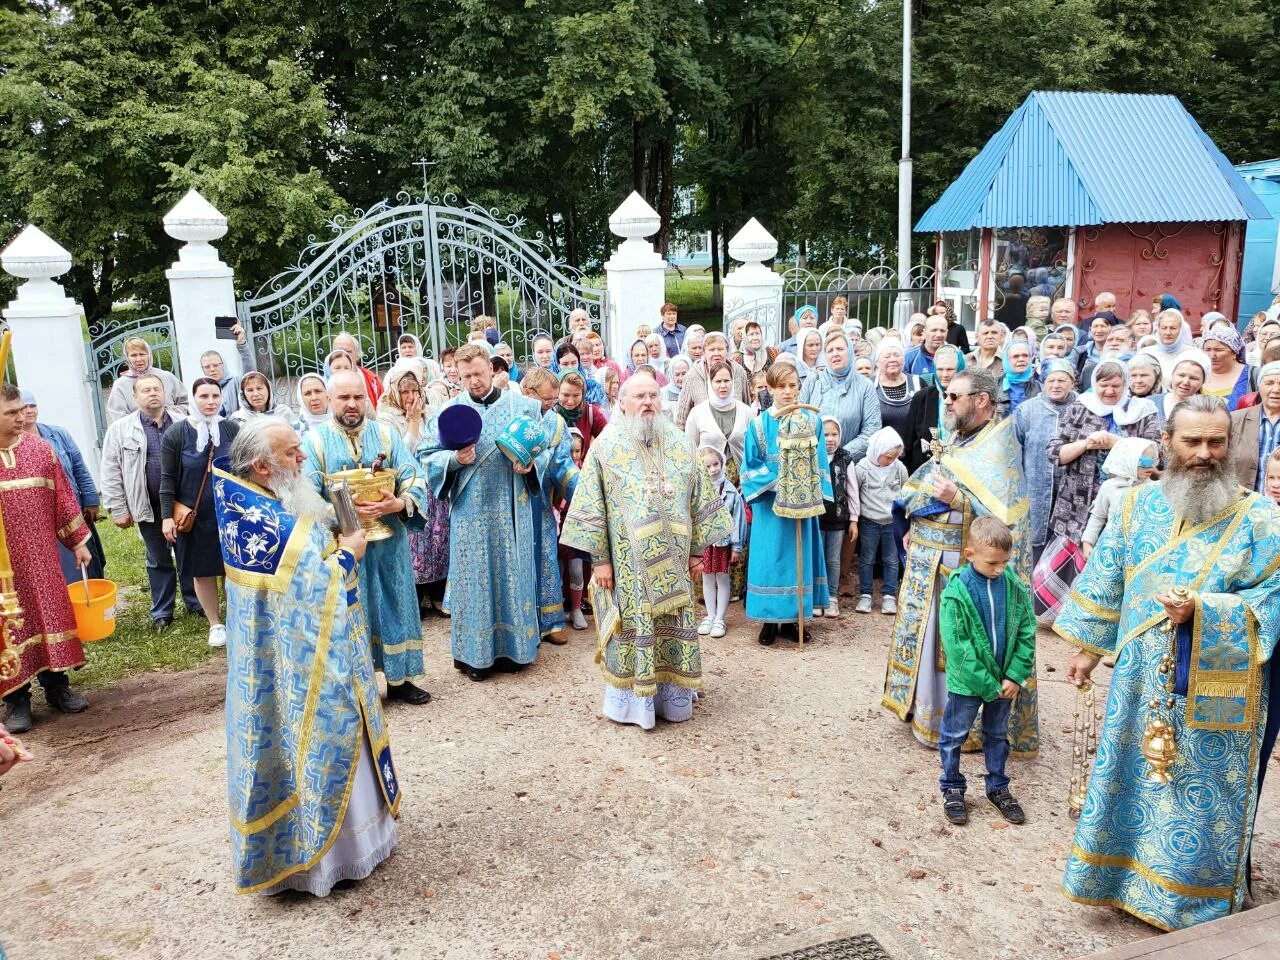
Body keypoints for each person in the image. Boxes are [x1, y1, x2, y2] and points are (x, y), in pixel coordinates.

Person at [1058, 395, 1280, 931]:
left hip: (1216, 682)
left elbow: (1273, 596)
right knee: (1134, 777)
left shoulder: (1260, 517)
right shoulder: (1136, 506)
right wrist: (1088, 652)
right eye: (1192, 441)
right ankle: (1120, 881)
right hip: (1138, 676)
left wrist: (1203, 610)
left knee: (1199, 788)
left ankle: (1191, 898)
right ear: (1168, 443)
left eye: (1216, 442)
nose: (1205, 453)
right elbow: (1111, 577)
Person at [215, 418, 400, 896]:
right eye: (292, 453)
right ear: (261, 466)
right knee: (314, 737)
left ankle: (354, 840)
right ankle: (327, 858)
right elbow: (314, 592)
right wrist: (348, 555)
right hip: (298, 665)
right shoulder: (268, 521)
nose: (302, 459)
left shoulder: (256, 503)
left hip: (298, 653)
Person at [560, 373, 732, 728]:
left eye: (653, 394)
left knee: (671, 625)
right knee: (635, 626)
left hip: (675, 563)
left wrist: (698, 549)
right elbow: (592, 506)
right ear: (623, 401)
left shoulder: (680, 442)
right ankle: (633, 705)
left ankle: (672, 697)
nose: (648, 402)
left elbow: (699, 494)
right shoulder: (606, 446)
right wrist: (601, 560)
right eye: (639, 395)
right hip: (627, 568)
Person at [881, 368, 1038, 755]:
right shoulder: (956, 437)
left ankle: (963, 728)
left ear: (981, 400)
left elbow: (1007, 522)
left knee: (955, 645)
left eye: (954, 396)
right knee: (926, 637)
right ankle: (925, 715)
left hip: (961, 564)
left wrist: (960, 501)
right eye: (947, 395)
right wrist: (913, 520)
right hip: (926, 557)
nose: (946, 402)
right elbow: (927, 480)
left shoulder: (999, 446)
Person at [420, 345, 577, 680]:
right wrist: (452, 460)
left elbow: (548, 449)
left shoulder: (525, 407)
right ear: (458, 377)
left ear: (491, 371)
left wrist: (532, 464)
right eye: (466, 377)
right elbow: (426, 455)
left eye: (479, 373)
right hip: (470, 513)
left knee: (513, 576)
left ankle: (517, 650)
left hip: (513, 510)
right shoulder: (449, 412)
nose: (474, 381)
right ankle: (475, 657)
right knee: (476, 581)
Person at [302, 370, 434, 703]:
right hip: (344, 544)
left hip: (389, 538)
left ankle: (400, 678)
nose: (352, 404)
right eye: (344, 397)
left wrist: (400, 501)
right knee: (352, 609)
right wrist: (342, 515)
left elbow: (413, 475)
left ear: (367, 398)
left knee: (396, 601)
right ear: (331, 400)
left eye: (358, 397)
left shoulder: (386, 434)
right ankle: (358, 688)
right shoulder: (314, 441)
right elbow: (306, 495)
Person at [0, 384, 93, 734]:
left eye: (23, 409)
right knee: (8, 628)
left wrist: (78, 541)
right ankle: (15, 699)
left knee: (50, 616)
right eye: (11, 412)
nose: (22, 416)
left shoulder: (41, 450)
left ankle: (57, 687)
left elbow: (64, 499)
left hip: (41, 560)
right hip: (2, 571)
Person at [1035, 362, 1160, 621]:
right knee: (1073, 554)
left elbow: (1157, 455)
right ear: (1094, 383)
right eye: (1104, 385)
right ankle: (1066, 618)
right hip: (1076, 503)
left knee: (1113, 560)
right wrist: (1085, 444)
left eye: (1116, 385)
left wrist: (1118, 443)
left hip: (1125, 501)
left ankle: (1100, 621)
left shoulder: (1141, 410)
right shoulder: (1080, 408)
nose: (1110, 391)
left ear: (1126, 384)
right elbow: (1054, 451)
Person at [937, 516, 1036, 826]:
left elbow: (1026, 631)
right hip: (969, 684)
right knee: (954, 734)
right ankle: (952, 786)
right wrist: (988, 683)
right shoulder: (957, 593)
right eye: (993, 562)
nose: (999, 569)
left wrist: (1014, 676)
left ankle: (998, 787)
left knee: (997, 735)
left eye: (1005, 562)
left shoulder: (1014, 587)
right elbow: (958, 647)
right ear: (970, 555)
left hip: (1005, 682)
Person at [741, 363, 832, 645]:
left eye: (793, 385)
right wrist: (780, 481)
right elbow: (749, 467)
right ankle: (769, 620)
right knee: (770, 559)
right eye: (782, 386)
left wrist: (805, 488)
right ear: (769, 389)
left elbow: (820, 463)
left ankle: (795, 619)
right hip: (770, 505)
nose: (788, 391)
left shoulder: (813, 422)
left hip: (802, 505)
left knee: (797, 560)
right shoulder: (758, 425)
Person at [100, 374, 200, 630]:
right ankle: (162, 612)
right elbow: (111, 470)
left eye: (156, 389)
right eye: (146, 390)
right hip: (147, 504)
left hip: (183, 504)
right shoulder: (121, 429)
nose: (152, 393)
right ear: (135, 396)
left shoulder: (184, 423)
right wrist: (118, 508)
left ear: (165, 393)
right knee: (158, 559)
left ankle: (196, 602)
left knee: (188, 554)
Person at [160, 378, 241, 648]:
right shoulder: (177, 433)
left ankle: (237, 619)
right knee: (202, 570)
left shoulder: (231, 428)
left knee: (233, 568)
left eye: (215, 396)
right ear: (193, 398)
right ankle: (215, 624)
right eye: (204, 396)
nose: (210, 401)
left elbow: (244, 469)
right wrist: (166, 516)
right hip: (196, 517)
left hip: (231, 512)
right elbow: (167, 477)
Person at [378, 367, 451, 618]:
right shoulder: (386, 418)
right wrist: (411, 422)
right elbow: (403, 455)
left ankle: (439, 591)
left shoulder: (431, 412)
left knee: (438, 538)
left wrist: (421, 418)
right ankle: (417, 596)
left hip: (433, 485)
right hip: (407, 488)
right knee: (414, 543)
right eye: (404, 391)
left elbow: (440, 444)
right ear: (395, 393)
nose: (410, 396)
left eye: (414, 390)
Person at [20, 390, 104, 583]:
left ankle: (89, 594)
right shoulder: (15, 443)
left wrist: (91, 500)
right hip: (43, 514)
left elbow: (79, 468)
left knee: (88, 557)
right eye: (24, 407)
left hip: (72, 507)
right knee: (63, 562)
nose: (29, 411)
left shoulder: (58, 434)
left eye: (32, 405)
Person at [1012, 359, 1077, 564]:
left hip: (1071, 494)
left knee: (1065, 550)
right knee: (1034, 548)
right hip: (1034, 492)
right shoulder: (1027, 410)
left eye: (1062, 380)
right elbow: (1013, 452)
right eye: (1051, 380)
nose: (1056, 385)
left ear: (1072, 382)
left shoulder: (1084, 408)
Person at [800, 329, 881, 463]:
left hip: (848, 465)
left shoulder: (865, 386)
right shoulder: (813, 381)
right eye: (830, 350)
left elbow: (871, 430)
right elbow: (799, 420)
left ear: (849, 351)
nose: (835, 354)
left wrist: (840, 457)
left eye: (840, 349)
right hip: (812, 463)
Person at [853, 427, 907, 615]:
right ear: (877, 451)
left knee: (891, 559)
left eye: (894, 457)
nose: (890, 461)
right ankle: (866, 594)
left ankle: (889, 595)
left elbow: (906, 491)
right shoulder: (862, 468)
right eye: (888, 457)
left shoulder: (899, 468)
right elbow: (855, 492)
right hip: (869, 521)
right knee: (867, 559)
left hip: (892, 522)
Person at [695, 446, 746, 639]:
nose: (713, 469)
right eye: (708, 466)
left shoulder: (731, 492)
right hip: (706, 543)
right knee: (707, 578)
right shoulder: (699, 490)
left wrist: (737, 546)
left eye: (716, 464)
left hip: (723, 543)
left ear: (722, 463)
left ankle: (720, 619)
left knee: (722, 578)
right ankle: (710, 615)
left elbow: (737, 519)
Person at [1080, 438, 1158, 556]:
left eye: (1154, 461)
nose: (1151, 466)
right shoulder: (1110, 487)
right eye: (1146, 462)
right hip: (1113, 548)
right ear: (1129, 459)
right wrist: (1087, 543)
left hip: (1142, 550)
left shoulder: (1153, 488)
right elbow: (1098, 517)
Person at [818, 417, 859, 618]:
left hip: (837, 518)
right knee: (816, 557)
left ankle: (832, 597)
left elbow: (852, 491)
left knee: (833, 559)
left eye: (834, 434)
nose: (830, 439)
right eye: (825, 434)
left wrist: (854, 520)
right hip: (816, 518)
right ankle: (818, 597)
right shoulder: (813, 456)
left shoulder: (845, 459)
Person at [685, 360, 753, 483]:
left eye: (726, 381)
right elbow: (690, 450)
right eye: (718, 381)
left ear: (732, 381)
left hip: (743, 482)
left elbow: (753, 448)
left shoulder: (746, 412)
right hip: (708, 482)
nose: (723, 385)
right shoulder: (697, 413)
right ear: (710, 383)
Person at [902, 345, 965, 473]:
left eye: (950, 369)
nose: (944, 375)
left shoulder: (969, 399)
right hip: (924, 473)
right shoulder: (922, 397)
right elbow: (908, 441)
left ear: (960, 370)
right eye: (940, 369)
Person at [675, 332, 751, 429]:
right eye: (711, 350)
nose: (716, 353)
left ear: (727, 350)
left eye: (720, 349)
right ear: (704, 352)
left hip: (736, 437)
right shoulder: (692, 376)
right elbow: (682, 418)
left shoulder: (739, 372)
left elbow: (746, 405)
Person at [105, 337, 186, 423]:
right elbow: (118, 417)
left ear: (149, 355)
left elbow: (187, 404)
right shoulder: (120, 384)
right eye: (133, 355)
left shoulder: (167, 377)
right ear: (127, 358)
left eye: (142, 354)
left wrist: (167, 413)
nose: (139, 359)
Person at [1228, 360, 1280, 492]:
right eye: (1269, 383)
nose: (1276, 390)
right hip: (1243, 504)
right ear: (1259, 386)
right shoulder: (1234, 420)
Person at [198, 323, 257, 417]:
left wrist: (241, 343)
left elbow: (250, 373)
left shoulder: (236, 383)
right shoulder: (201, 390)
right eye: (207, 367)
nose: (212, 369)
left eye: (216, 365)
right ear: (203, 369)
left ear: (223, 365)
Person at [871, 339, 922, 445]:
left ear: (904, 359)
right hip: (881, 453)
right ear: (877, 362)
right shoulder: (869, 386)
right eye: (887, 356)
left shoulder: (918, 383)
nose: (892, 359)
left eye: (897, 355)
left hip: (913, 453)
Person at [556, 371, 608, 457]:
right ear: (557, 392)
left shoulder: (590, 412)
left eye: (576, 395)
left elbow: (608, 438)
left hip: (583, 469)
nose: (570, 401)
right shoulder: (550, 412)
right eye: (566, 395)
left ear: (583, 393)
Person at [1200, 325, 1251, 409]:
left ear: (1234, 353)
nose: (1212, 355)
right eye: (1208, 349)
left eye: (1219, 350)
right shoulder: (1197, 371)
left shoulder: (1250, 375)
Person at [1154, 352, 1209, 429]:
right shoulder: (1151, 403)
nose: (1186, 382)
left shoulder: (1208, 410)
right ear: (1172, 375)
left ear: (1202, 382)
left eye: (1193, 378)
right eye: (1181, 375)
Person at [331, 332, 384, 408]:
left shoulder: (372, 380)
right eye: (338, 351)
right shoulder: (324, 383)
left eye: (348, 352)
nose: (343, 355)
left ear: (357, 356)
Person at [1148, 309, 1197, 383]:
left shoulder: (1193, 355)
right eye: (1164, 328)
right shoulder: (1147, 354)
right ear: (1158, 329)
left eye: (1173, 328)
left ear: (1181, 330)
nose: (1168, 332)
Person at [229, 371, 293, 425]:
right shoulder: (238, 419)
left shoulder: (283, 412)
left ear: (269, 390)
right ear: (243, 394)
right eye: (250, 390)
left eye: (259, 388)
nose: (256, 394)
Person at [997, 340, 1040, 417]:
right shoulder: (994, 385)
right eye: (1015, 356)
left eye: (1025, 355)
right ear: (1007, 360)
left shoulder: (1040, 386)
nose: (1021, 359)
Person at [904, 315, 949, 380]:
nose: (939, 335)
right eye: (934, 330)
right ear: (924, 332)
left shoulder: (957, 356)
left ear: (947, 332)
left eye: (942, 331)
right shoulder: (909, 357)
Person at [295, 372, 330, 436]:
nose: (314, 398)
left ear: (327, 393)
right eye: (307, 393)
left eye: (318, 391)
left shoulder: (343, 423)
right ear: (301, 398)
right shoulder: (295, 431)